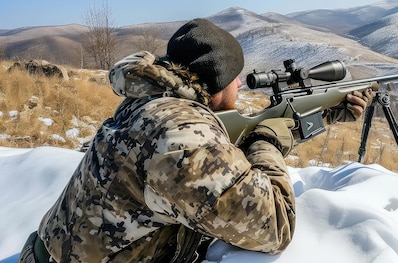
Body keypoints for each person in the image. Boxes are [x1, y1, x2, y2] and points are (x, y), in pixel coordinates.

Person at [18, 18, 373, 263]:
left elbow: (231, 148)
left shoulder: (155, 104)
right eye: (234, 77)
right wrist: (268, 143)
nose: (239, 85)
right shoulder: (183, 135)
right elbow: (275, 225)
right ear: (217, 79)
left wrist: (322, 114)